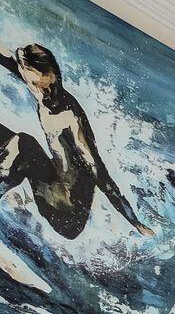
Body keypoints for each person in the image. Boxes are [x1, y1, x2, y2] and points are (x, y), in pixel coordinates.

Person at [0, 42, 153, 240]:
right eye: (33, 85)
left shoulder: (70, 119)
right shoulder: (39, 87)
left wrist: (135, 222)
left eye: (46, 87)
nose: (42, 93)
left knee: (24, 144)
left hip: (68, 215)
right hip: (54, 189)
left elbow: (101, 175)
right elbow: (8, 61)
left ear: (53, 77)